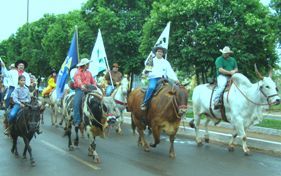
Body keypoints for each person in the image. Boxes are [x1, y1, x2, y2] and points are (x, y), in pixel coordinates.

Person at [140, 45, 179, 111]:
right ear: (155, 52)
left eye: (161, 52)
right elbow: (147, 70)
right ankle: (145, 103)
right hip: (153, 78)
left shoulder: (166, 62)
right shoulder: (151, 60)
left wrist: (176, 79)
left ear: (163, 53)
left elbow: (170, 72)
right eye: (158, 51)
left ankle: (176, 107)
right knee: (152, 87)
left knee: (173, 89)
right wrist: (144, 74)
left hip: (164, 79)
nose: (160, 53)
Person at [73, 58, 97, 127]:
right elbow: (78, 81)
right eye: (88, 64)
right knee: (76, 104)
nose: (89, 65)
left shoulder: (89, 73)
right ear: (85, 65)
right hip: (80, 90)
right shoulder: (77, 72)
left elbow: (93, 81)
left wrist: (95, 85)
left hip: (90, 89)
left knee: (98, 101)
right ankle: (77, 120)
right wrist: (82, 86)